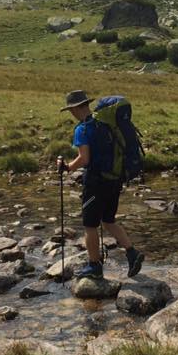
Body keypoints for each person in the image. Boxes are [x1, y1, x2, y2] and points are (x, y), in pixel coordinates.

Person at [58, 89, 144, 279]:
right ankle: (132, 253)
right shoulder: (108, 124)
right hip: (115, 178)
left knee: (90, 225)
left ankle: (94, 266)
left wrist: (67, 167)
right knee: (108, 220)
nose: (71, 114)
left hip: (96, 182)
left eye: (71, 110)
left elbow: (84, 158)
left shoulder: (83, 128)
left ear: (74, 109)